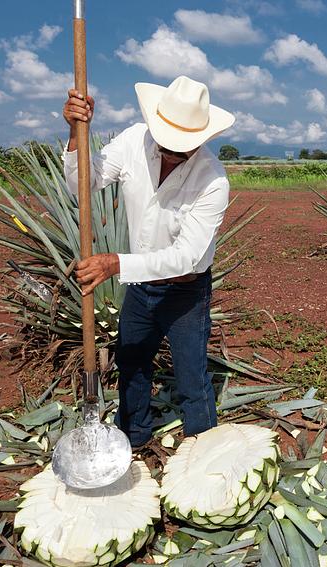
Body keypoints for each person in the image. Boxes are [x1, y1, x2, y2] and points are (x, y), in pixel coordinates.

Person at [62, 75, 236, 449]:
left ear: (201, 140)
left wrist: (115, 264)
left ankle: (202, 451)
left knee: (191, 375)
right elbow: (82, 183)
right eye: (166, 144)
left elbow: (187, 256)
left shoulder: (213, 180)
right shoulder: (132, 141)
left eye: (183, 148)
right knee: (131, 362)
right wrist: (77, 134)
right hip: (141, 288)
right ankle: (133, 438)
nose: (172, 153)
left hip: (185, 293)